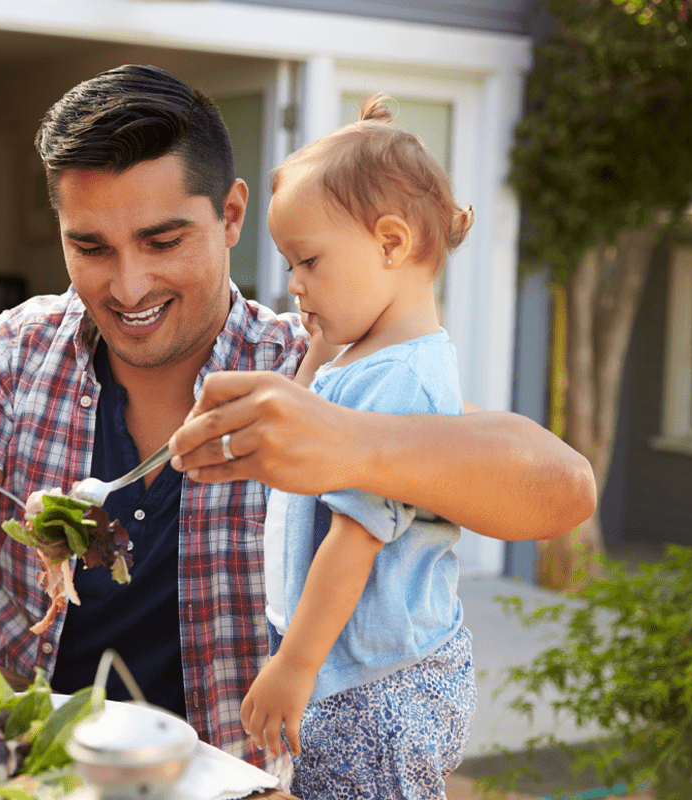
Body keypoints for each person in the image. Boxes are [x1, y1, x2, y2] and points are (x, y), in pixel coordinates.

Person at [0, 64, 594, 771]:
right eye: (91, 247)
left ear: (231, 214)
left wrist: (354, 445)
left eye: (163, 240)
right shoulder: (15, 353)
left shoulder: (311, 370)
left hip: (230, 776)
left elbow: (563, 491)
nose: (128, 283)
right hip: (33, 766)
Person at [234, 94, 476, 798]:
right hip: (349, 661)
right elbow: (311, 436)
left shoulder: (405, 379)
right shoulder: (362, 360)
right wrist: (315, 358)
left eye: (308, 261)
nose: (293, 284)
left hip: (377, 684)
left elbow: (354, 537)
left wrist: (295, 665)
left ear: (391, 244)